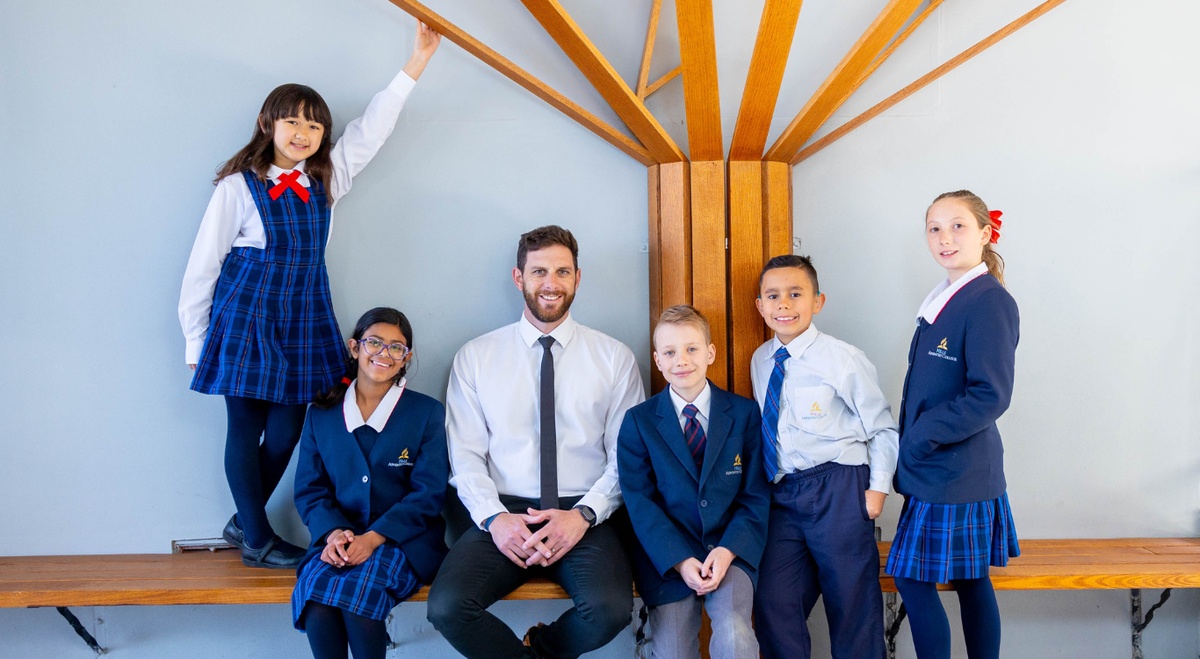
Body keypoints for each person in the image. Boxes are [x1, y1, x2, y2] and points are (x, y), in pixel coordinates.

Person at [177, 23, 441, 568]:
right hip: (246, 317)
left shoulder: (327, 179)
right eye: (292, 121)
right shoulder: (237, 187)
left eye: (314, 124)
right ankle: (256, 537)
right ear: (268, 124)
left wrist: (416, 62)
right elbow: (203, 269)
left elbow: (373, 129)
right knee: (244, 428)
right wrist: (196, 341)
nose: (303, 132)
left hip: (302, 316)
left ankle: (243, 522)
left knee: (286, 433)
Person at [427, 225, 645, 658]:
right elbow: (465, 456)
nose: (551, 283)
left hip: (585, 513)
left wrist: (583, 515)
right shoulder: (476, 357)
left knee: (609, 610)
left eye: (562, 272)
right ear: (518, 277)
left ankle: (541, 647)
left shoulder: (614, 358)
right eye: (539, 271)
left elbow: (627, 458)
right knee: (448, 607)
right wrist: (494, 518)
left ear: (577, 278)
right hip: (504, 511)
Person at [885, 190, 1020, 659]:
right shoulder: (947, 297)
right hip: (943, 468)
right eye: (935, 229)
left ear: (985, 233)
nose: (945, 238)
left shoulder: (989, 302)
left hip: (955, 470)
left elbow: (990, 394)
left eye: (958, 226)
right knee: (970, 578)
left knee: (913, 577)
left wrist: (921, 435)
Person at [751, 254, 899, 659]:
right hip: (783, 493)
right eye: (773, 296)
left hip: (838, 487)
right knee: (773, 601)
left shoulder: (843, 358)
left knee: (851, 602)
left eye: (795, 294)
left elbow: (882, 428)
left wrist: (877, 492)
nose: (784, 304)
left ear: (818, 301)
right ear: (760, 306)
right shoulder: (761, 360)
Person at [291, 307, 448, 659]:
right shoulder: (321, 414)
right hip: (337, 541)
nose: (384, 353)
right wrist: (334, 534)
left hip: (403, 543)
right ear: (354, 347)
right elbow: (310, 490)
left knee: (358, 600)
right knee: (316, 600)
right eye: (374, 342)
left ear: (406, 357)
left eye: (396, 347)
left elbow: (428, 494)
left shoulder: (426, 413)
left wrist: (373, 538)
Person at [616, 305, 770, 659]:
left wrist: (728, 550)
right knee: (672, 652)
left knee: (735, 635)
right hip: (669, 560)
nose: (681, 360)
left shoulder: (744, 414)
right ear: (657, 360)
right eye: (670, 352)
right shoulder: (639, 422)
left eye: (692, 349)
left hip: (730, 551)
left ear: (710, 352)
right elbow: (640, 503)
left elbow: (755, 495)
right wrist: (681, 560)